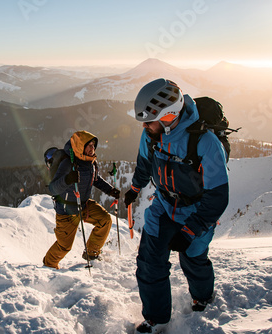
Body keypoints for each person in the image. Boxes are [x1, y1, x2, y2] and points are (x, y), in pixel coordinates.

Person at [124, 79, 229, 333]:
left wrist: (191, 230)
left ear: (169, 116)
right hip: (163, 205)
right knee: (149, 260)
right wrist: (135, 189)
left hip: (197, 210)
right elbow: (145, 163)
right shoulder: (152, 134)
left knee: (192, 257)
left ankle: (202, 297)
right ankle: (156, 318)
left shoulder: (205, 142)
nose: (145, 127)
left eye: (149, 121)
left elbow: (217, 197)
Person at [43, 130, 120, 269]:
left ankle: (92, 254)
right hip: (66, 210)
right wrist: (67, 179)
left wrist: (110, 190)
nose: (92, 148)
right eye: (88, 145)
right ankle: (48, 266)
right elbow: (53, 188)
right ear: (79, 146)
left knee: (105, 220)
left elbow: (95, 179)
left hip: (83, 205)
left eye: (93, 145)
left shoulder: (90, 162)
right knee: (64, 247)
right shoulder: (67, 163)